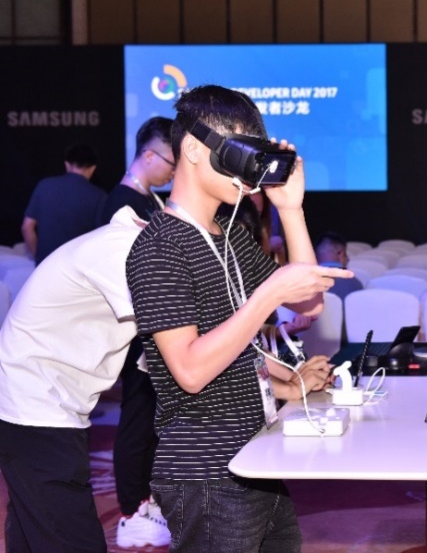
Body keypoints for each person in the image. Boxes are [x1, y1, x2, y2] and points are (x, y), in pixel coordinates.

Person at [125, 84, 353, 552]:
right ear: (194, 149)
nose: (247, 174)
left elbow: (309, 304)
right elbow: (189, 371)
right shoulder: (159, 247)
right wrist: (268, 294)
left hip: (255, 455)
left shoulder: (229, 237)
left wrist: (290, 209)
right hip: (205, 472)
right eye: (238, 154)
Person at [0, 206, 147, 552]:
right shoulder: (125, 250)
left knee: (33, 528)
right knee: (73, 539)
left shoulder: (125, 242)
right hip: (37, 406)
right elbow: (175, 352)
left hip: (35, 401)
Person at [98, 117, 176, 547]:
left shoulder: (150, 200)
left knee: (149, 422)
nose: (174, 171)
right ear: (148, 155)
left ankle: (145, 502)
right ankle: (131, 512)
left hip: (152, 326)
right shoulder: (120, 205)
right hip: (135, 330)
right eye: (170, 161)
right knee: (136, 419)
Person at [21, 143, 106, 264]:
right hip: (77, 267)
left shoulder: (44, 186)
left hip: (45, 265)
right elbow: (102, 238)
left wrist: (38, 257)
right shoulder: (99, 196)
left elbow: (27, 227)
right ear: (93, 168)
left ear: (67, 164)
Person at [314, 231, 364, 300]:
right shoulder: (355, 284)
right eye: (346, 255)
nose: (348, 259)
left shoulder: (303, 282)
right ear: (341, 254)